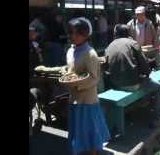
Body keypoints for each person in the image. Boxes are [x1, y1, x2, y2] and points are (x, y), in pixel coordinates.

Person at [36, 17, 110, 155]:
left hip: (87, 101)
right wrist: (47, 69)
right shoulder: (70, 51)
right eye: (71, 33)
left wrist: (76, 83)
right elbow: (69, 69)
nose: (73, 36)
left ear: (85, 34)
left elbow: (94, 79)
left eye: (77, 33)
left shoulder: (90, 53)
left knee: (90, 132)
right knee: (78, 132)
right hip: (74, 99)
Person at [105, 24, 160, 128]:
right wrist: (147, 74)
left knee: (144, 82)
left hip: (115, 84)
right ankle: (158, 119)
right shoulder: (133, 43)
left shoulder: (109, 46)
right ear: (128, 34)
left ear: (115, 34)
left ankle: (142, 104)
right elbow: (145, 67)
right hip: (133, 84)